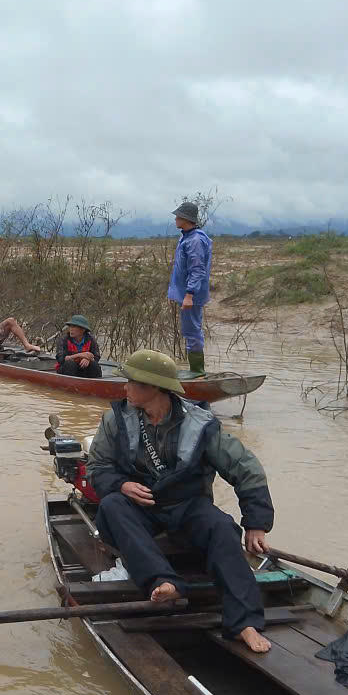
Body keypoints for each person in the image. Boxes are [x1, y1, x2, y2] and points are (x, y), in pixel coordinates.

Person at [85, 348, 275, 653]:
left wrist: (256, 523)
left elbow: (245, 468)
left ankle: (244, 623)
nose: (125, 388)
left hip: (186, 506)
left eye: (132, 382)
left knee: (223, 528)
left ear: (154, 388)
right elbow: (97, 468)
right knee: (111, 506)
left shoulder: (200, 424)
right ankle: (164, 581)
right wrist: (121, 485)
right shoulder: (116, 419)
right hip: (140, 507)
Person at [168, 201, 212, 374]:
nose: (176, 219)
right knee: (189, 330)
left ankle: (197, 374)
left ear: (186, 218)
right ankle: (196, 372)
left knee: (192, 331)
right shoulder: (186, 236)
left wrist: (189, 295)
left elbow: (197, 270)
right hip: (186, 293)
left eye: (178, 216)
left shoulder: (194, 240)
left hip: (191, 295)